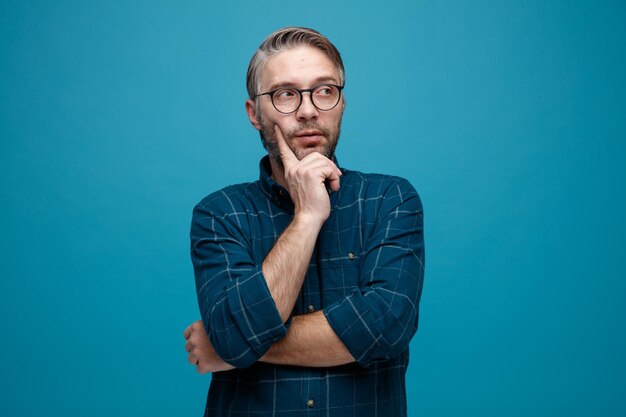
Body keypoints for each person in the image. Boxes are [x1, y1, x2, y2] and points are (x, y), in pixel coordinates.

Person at [183, 26, 425, 417]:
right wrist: (308, 216)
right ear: (254, 113)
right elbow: (235, 335)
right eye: (285, 94)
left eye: (325, 90)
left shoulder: (391, 201)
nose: (309, 110)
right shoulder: (219, 213)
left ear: (342, 103)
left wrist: (231, 345)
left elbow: (384, 327)